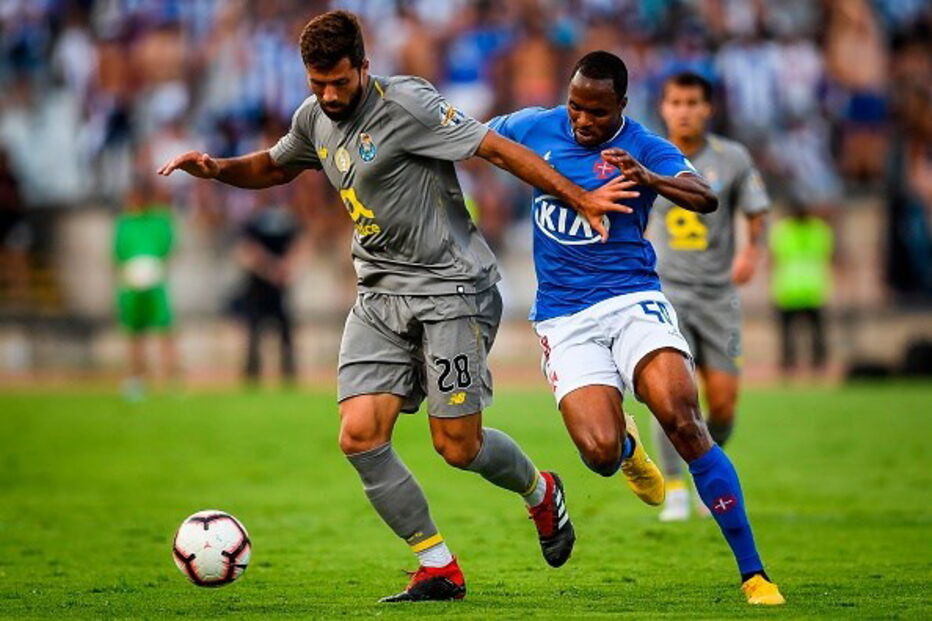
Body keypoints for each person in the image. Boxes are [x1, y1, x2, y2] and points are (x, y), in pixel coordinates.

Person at [157, 10, 633, 603]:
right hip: (379, 293)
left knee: (457, 446)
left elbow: (496, 149)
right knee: (359, 436)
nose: (330, 95)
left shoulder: (408, 104)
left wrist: (579, 196)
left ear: (364, 66)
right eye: (318, 83)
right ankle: (437, 566)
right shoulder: (314, 117)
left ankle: (540, 492)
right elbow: (276, 166)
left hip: (452, 290)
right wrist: (217, 170)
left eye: (340, 82)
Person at [488, 51, 784, 605]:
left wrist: (649, 178)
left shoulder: (644, 146)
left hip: (633, 300)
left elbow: (705, 196)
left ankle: (754, 573)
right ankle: (626, 447)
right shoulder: (534, 125)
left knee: (684, 419)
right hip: (565, 317)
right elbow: (476, 140)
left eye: (597, 112)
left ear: (622, 105)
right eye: (575, 107)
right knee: (598, 454)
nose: (582, 121)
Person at [648, 72, 770, 522]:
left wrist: (752, 252)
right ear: (664, 107)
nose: (684, 111)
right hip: (666, 292)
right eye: (676, 102)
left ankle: (706, 469)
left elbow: (757, 210)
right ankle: (676, 487)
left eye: (692, 102)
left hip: (719, 295)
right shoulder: (649, 154)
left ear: (707, 108)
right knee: (672, 394)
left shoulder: (732, 158)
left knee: (722, 403)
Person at [113, 180, 179, 401]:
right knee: (134, 335)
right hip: (131, 286)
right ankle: (136, 378)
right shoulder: (124, 224)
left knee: (164, 332)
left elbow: (167, 247)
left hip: (155, 284)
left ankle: (170, 379)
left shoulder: (159, 221)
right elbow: (118, 254)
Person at [235, 193, 304, 386]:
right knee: (255, 332)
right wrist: (274, 269)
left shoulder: (283, 220)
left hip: (278, 288)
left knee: (283, 331)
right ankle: (253, 373)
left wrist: (283, 268)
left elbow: (298, 246)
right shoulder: (255, 222)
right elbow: (247, 252)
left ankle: (287, 372)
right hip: (259, 287)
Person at [771, 203, 834, 377]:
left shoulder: (784, 230)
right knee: (812, 333)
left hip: (791, 287)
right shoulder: (819, 230)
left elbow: (775, 257)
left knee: (792, 334)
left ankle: (792, 366)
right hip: (808, 288)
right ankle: (815, 365)